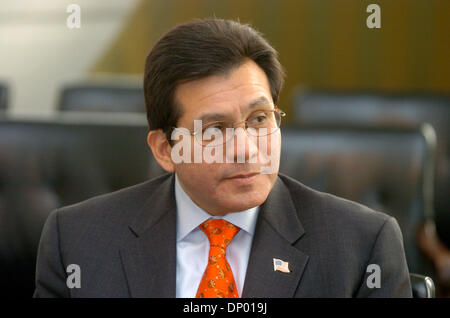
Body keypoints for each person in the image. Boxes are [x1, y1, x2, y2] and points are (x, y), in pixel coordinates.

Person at [34, 18, 412, 298]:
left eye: (260, 119)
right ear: (166, 149)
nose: (247, 149)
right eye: (215, 130)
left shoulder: (360, 247)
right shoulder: (77, 241)